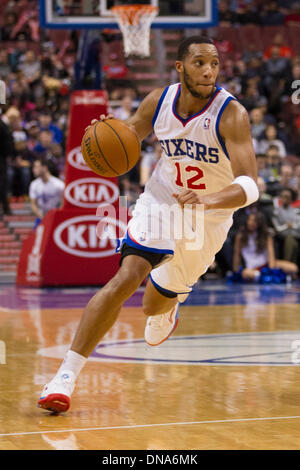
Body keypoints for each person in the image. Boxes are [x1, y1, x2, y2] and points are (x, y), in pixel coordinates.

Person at [38, 36, 259, 413]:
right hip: (161, 199)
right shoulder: (160, 101)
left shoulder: (231, 114)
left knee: (153, 305)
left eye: (214, 64)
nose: (208, 71)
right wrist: (105, 133)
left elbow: (251, 185)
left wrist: (208, 199)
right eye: (199, 63)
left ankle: (171, 303)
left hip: (207, 217)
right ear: (180, 66)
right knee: (127, 276)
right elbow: (129, 135)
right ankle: (64, 378)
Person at [233, 212, 298, 281]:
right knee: (246, 274)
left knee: (293, 268)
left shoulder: (266, 236)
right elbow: (236, 255)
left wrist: (271, 270)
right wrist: (235, 272)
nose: (250, 222)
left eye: (254, 221)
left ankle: (267, 277)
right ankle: (270, 277)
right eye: (249, 220)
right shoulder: (240, 236)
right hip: (252, 268)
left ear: (259, 223)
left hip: (266, 264)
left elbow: (271, 254)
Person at [29, 157, 64, 228]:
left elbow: (64, 202)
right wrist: (40, 215)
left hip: (55, 217)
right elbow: (33, 204)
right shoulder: (34, 184)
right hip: (41, 217)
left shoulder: (59, 185)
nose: (33, 170)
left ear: (44, 168)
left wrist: (58, 213)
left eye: (36, 167)